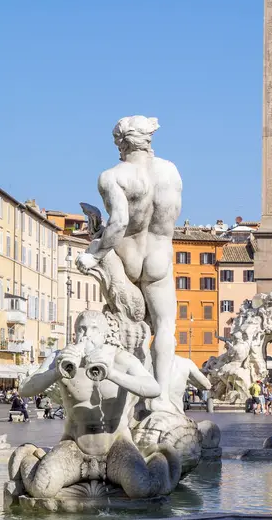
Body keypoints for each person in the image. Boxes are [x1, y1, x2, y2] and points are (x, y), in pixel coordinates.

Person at [76, 116, 183, 413]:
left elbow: (120, 222)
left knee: (123, 326)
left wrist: (94, 253)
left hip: (127, 257)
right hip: (160, 257)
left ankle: (125, 400)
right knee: (164, 328)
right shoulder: (171, 172)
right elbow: (169, 219)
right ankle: (160, 400)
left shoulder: (112, 176)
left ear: (119, 142)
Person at [17, 310, 180, 499]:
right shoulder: (60, 357)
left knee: (140, 488)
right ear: (75, 333)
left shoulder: (121, 358)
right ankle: (32, 456)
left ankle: (156, 458)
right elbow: (25, 389)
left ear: (104, 335)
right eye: (82, 329)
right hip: (75, 446)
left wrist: (111, 373)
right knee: (41, 488)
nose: (87, 335)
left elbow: (154, 388)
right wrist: (56, 372)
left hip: (115, 446)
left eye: (94, 329)